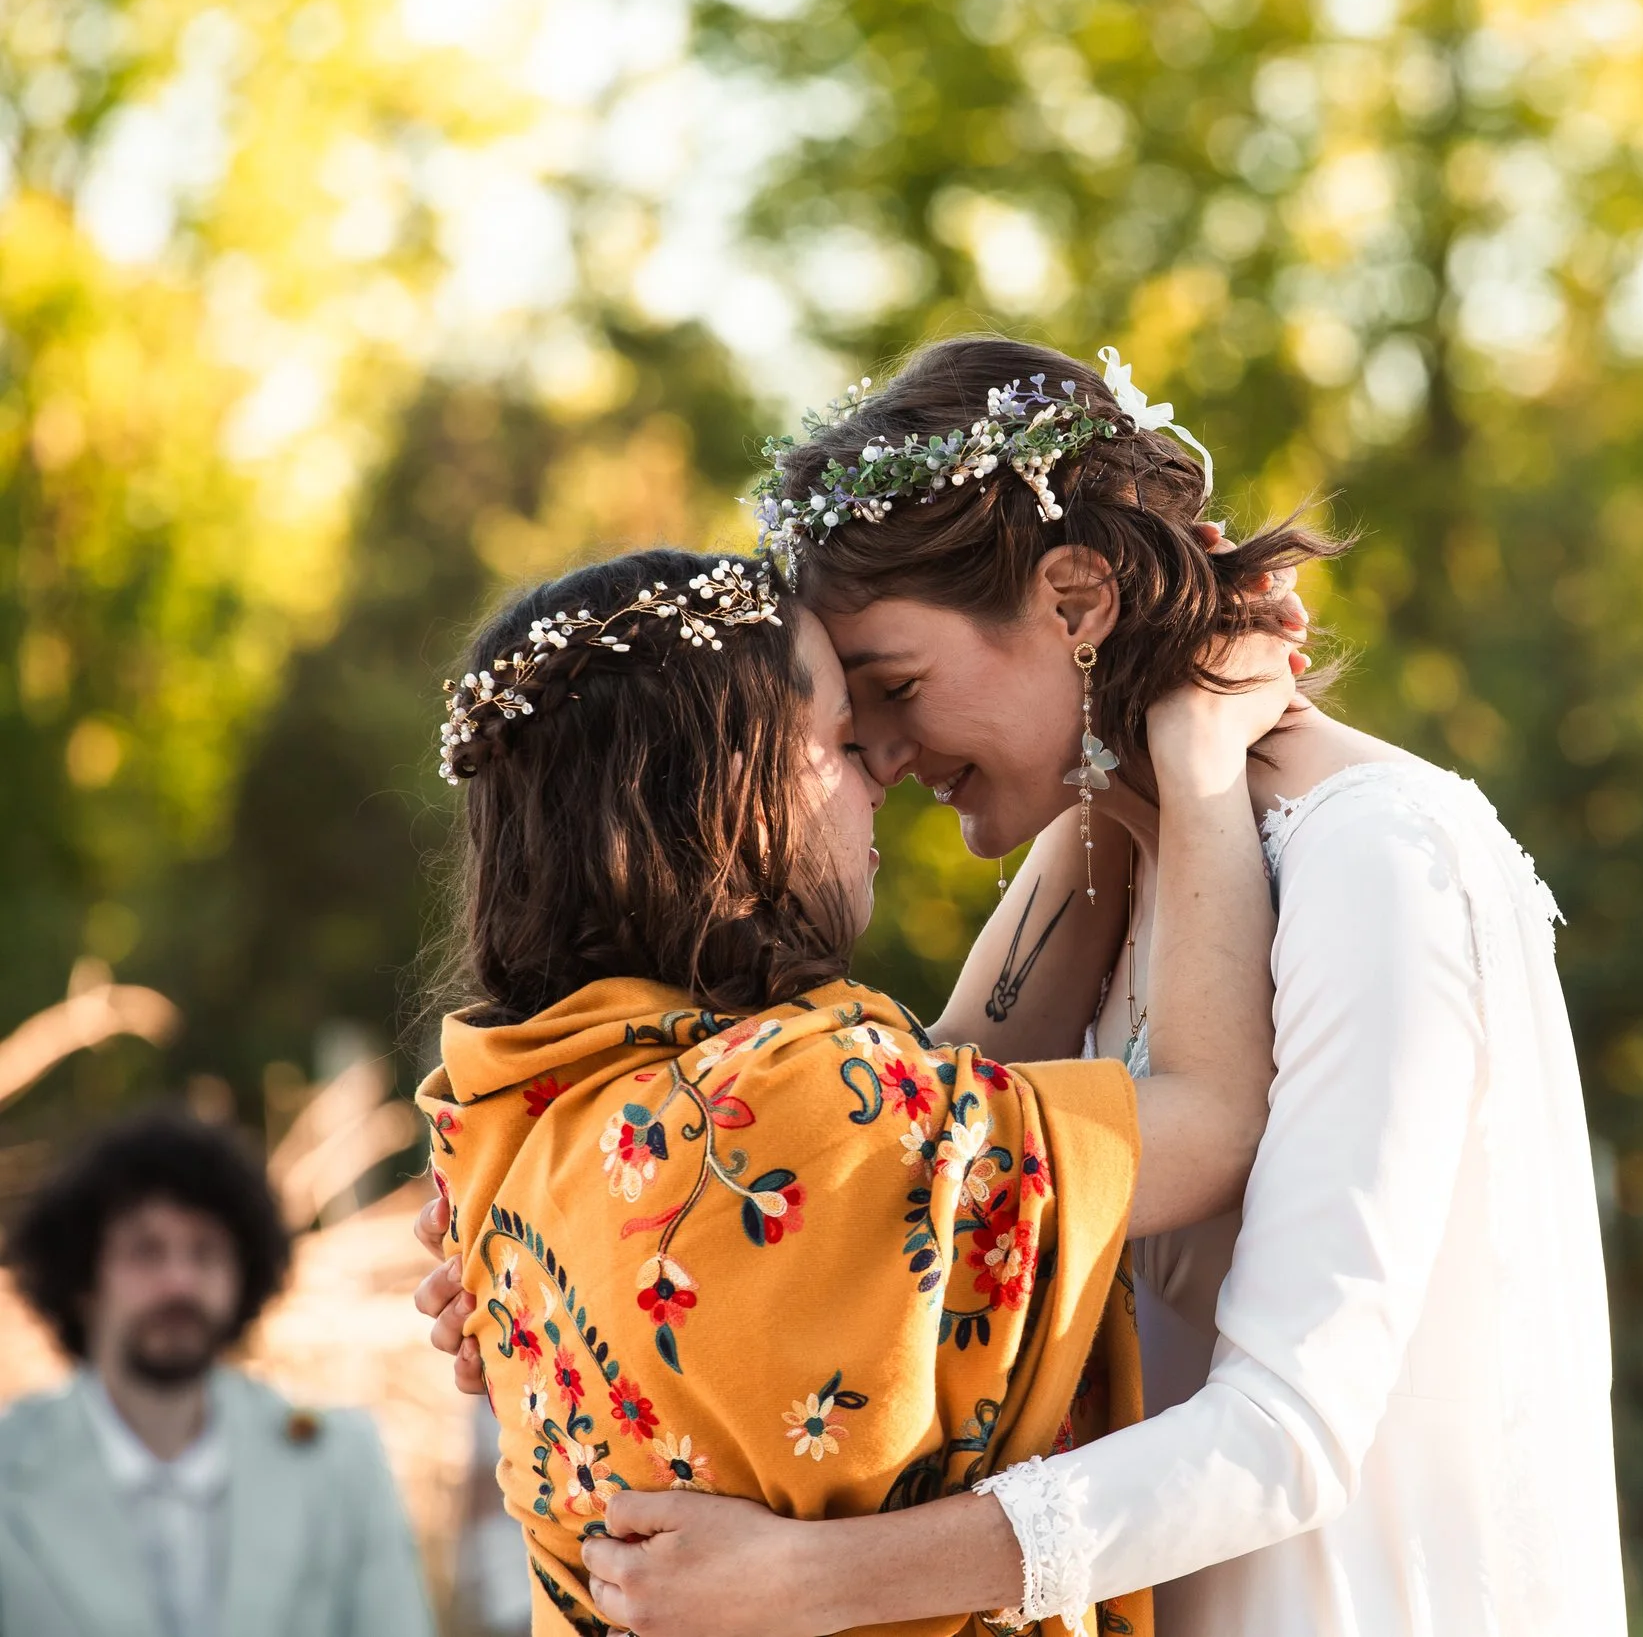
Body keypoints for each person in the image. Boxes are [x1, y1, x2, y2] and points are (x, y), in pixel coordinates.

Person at [528, 338, 1628, 1636]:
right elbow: (899, 1175)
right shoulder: (1129, 858)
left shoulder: (1374, 859)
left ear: (1075, 601)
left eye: (897, 687)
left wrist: (810, 1582)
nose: (874, 754)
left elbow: (1289, 1431)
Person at [414, 544, 1298, 1636]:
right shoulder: (811, 1105)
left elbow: (970, 1086)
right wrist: (1201, 751)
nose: (882, 763)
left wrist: (1097, 732)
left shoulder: (518, 1116)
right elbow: (1210, 1122)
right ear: (718, 791)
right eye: (837, 737)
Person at [0, 1112, 434, 1637]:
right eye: (146, 1251)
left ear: (243, 1273)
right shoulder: (11, 1468)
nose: (179, 1282)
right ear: (83, 1279)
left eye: (205, 1252)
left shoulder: (340, 1458)